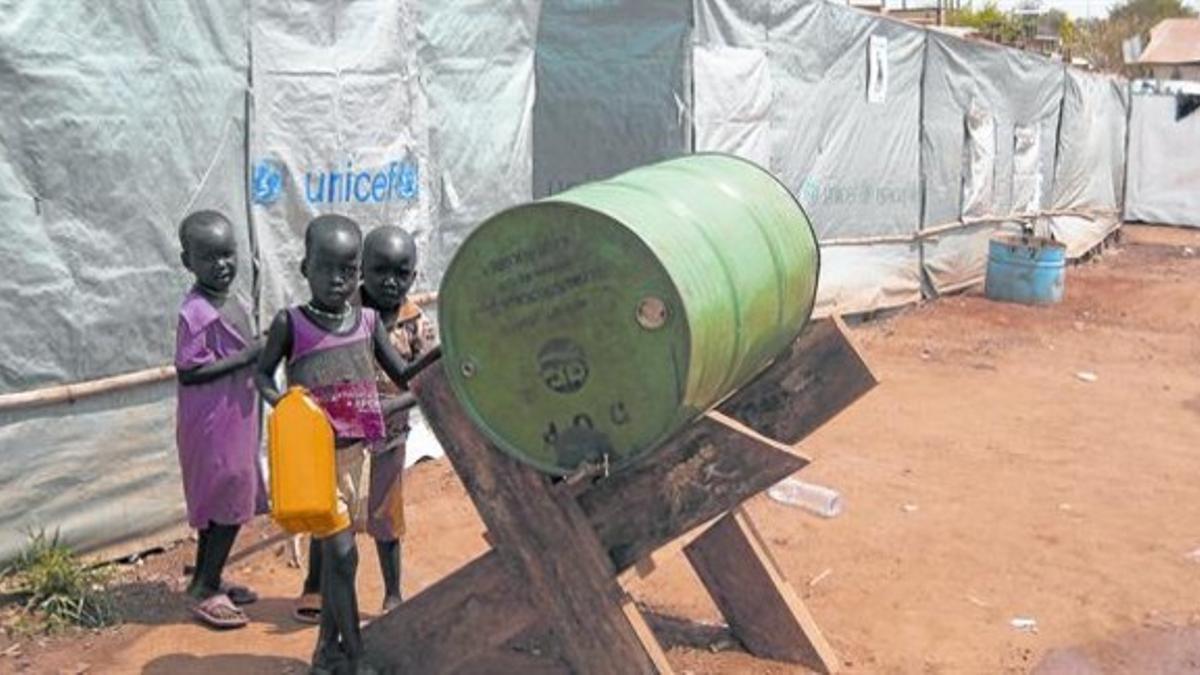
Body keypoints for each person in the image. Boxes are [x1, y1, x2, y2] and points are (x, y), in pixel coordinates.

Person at [255, 214, 412, 674]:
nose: (338, 279)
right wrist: (282, 405)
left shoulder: (366, 323)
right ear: (305, 268)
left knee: (341, 563)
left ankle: (325, 654)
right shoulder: (292, 324)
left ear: (358, 271)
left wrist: (435, 370)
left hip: (354, 458)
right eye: (327, 268)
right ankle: (357, 658)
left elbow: (405, 373)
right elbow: (263, 373)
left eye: (348, 269)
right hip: (312, 464)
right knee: (344, 556)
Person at [174, 210, 264, 629]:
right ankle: (207, 587)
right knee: (227, 499)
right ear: (187, 262)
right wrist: (246, 356)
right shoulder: (195, 312)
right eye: (209, 258)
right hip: (213, 423)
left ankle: (208, 576)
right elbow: (188, 371)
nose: (222, 265)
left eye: (228, 254)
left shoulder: (229, 300)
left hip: (235, 418)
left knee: (221, 500)